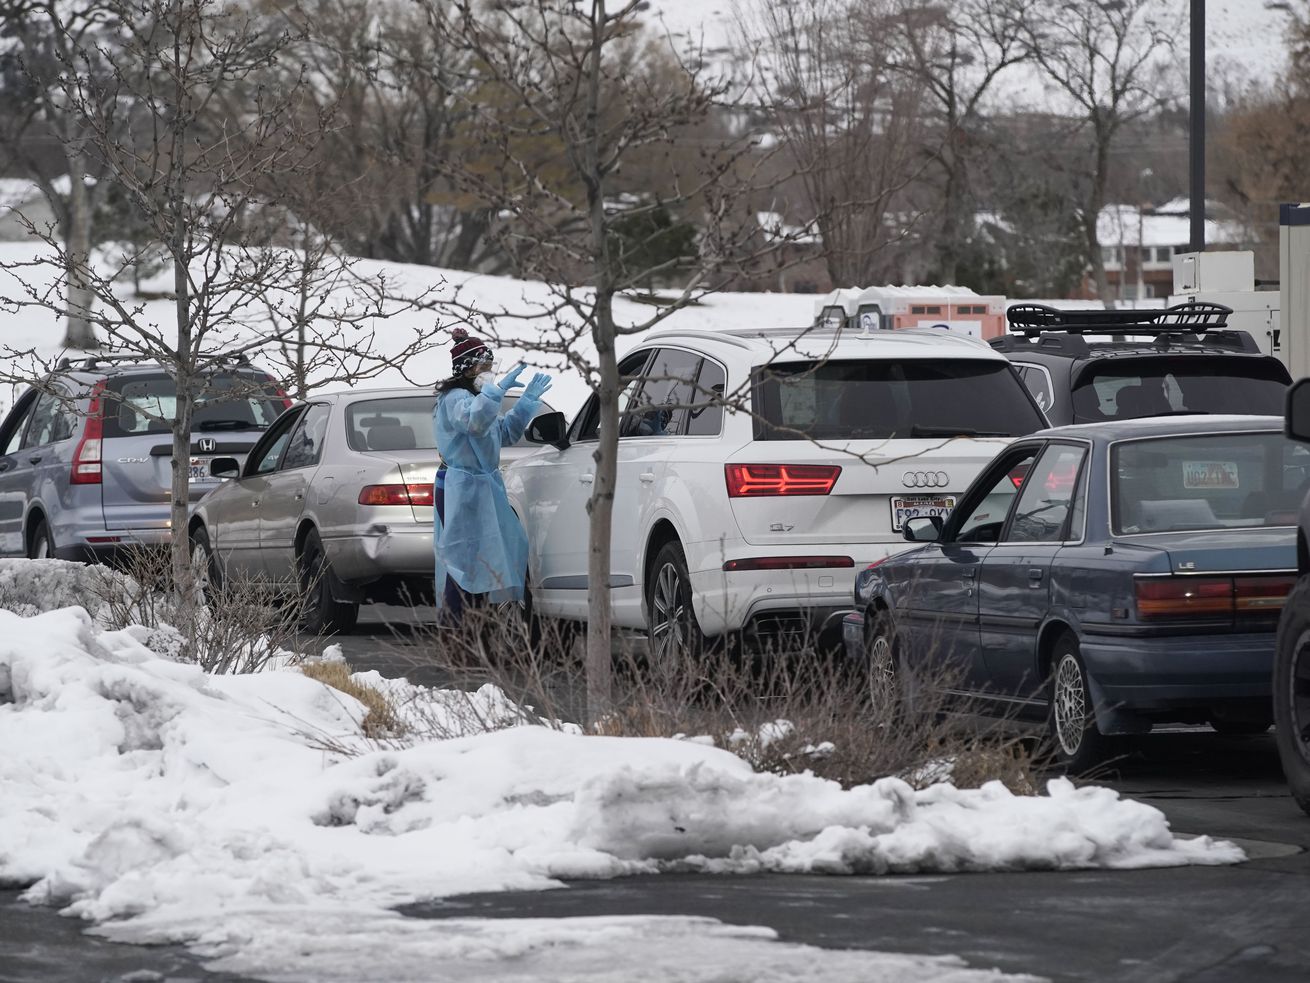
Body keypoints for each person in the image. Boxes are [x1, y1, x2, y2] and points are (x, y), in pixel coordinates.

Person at [433, 328, 552, 625]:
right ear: (466, 369)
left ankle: (480, 628)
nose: (487, 373)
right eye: (482, 367)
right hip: (459, 486)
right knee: (464, 558)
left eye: (490, 367)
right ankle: (458, 630)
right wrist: (494, 392)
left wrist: (525, 403)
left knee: (488, 555)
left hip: (482, 487)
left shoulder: (478, 398)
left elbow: (504, 433)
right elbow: (473, 422)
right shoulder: (455, 398)